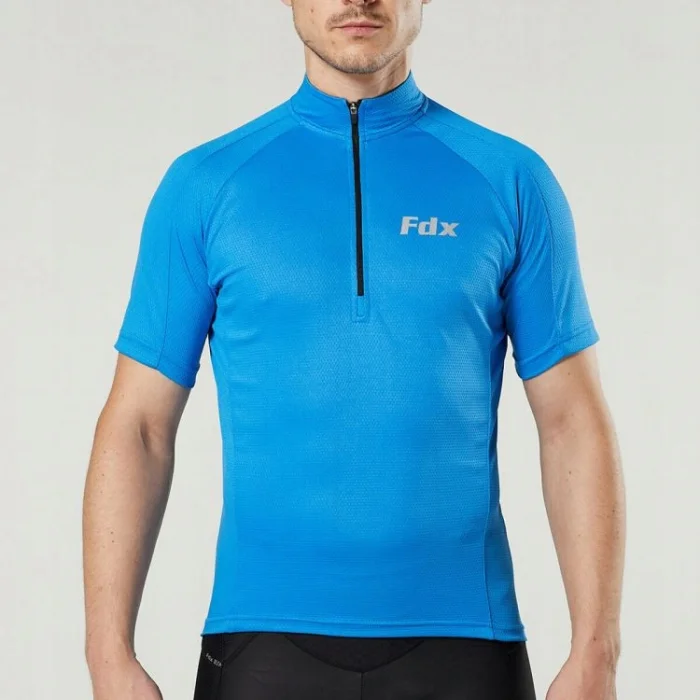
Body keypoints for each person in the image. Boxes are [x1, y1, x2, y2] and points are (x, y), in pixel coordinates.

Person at [82, 1, 626, 698]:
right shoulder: (205, 186)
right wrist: (107, 654)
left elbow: (572, 421)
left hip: (466, 647)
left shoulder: (510, 180)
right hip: (261, 646)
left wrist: (597, 652)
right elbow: (139, 425)